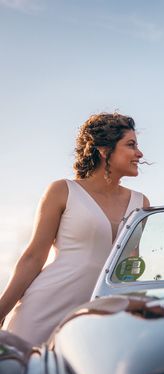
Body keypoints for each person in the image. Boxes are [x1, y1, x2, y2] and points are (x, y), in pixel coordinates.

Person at [0, 113, 150, 344]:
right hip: (43, 310)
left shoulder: (142, 203)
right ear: (103, 149)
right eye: (131, 145)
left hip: (97, 318)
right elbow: (33, 258)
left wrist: (137, 308)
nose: (139, 154)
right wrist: (1, 311)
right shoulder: (63, 191)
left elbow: (129, 271)